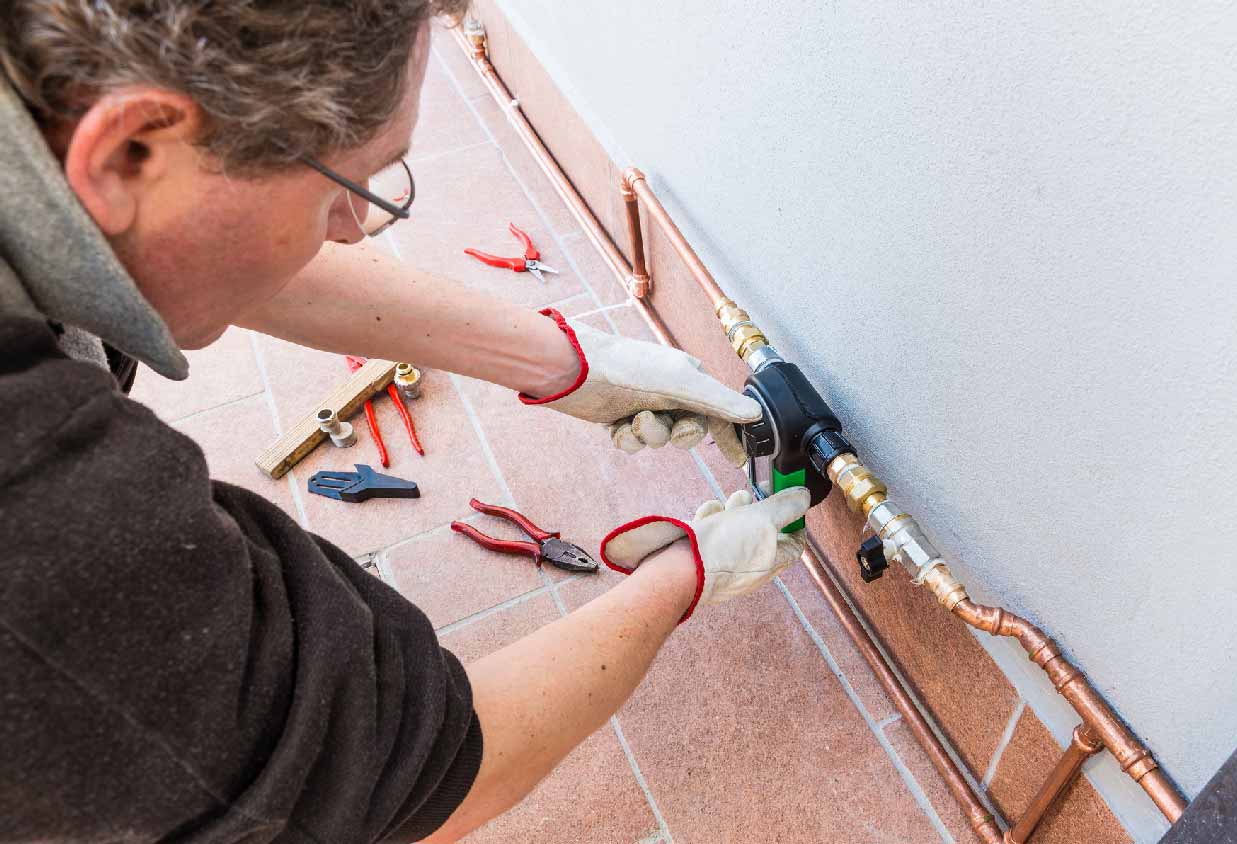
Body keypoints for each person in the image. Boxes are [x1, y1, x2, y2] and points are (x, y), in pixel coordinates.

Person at [0, 2, 810, 841]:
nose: (351, 234)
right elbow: (429, 773)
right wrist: (687, 574)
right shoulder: (43, 535)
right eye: (342, 190)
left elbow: (200, 234)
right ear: (128, 149)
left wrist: (575, 366)